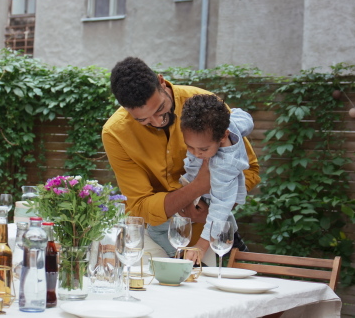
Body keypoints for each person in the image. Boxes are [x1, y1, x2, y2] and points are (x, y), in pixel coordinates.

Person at [101, 57, 260, 262]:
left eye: (160, 109)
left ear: (161, 82)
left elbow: (249, 170)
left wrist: (216, 209)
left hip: (210, 237)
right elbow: (140, 206)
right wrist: (197, 187)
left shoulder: (203, 104)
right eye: (143, 120)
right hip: (156, 237)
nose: (157, 121)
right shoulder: (115, 133)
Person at [178, 94, 252, 260]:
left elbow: (220, 207)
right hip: (199, 189)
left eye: (203, 150)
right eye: (189, 146)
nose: (197, 153)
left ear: (223, 136)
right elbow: (246, 119)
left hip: (212, 199)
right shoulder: (231, 124)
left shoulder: (223, 165)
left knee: (220, 217)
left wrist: (201, 246)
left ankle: (234, 242)